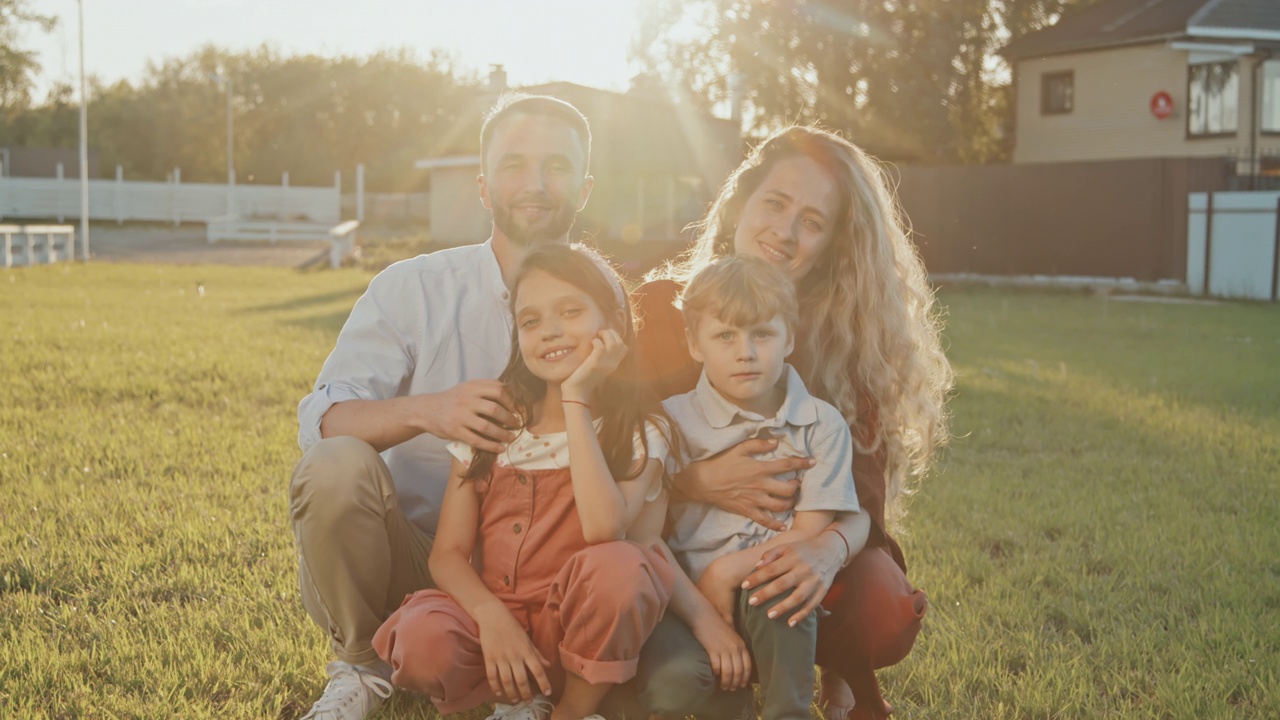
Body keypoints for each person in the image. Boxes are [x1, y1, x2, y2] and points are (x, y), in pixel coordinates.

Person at [289, 93, 595, 720]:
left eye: (557, 167)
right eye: (514, 165)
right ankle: (360, 665)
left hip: (547, 569)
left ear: (585, 189)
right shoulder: (411, 288)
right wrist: (431, 411)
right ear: (483, 188)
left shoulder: (605, 294)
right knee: (335, 466)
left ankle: (557, 674)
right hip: (422, 556)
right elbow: (324, 422)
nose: (535, 185)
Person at [631, 126, 953, 720]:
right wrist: (696, 481)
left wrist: (825, 551)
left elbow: (864, 502)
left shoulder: (845, 341)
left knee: (880, 601)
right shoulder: (662, 307)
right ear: (739, 204)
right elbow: (612, 452)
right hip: (674, 549)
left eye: (812, 221)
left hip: (788, 553)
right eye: (775, 204)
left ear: (833, 243)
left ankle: (828, 667)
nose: (784, 231)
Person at [372, 243, 677, 720]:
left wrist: (576, 398)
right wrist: (491, 618)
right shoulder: (496, 423)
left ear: (615, 322)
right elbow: (447, 553)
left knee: (621, 566)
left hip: (578, 633)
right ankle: (512, 701)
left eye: (571, 311)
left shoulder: (640, 431)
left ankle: (572, 710)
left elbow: (605, 533)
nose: (549, 330)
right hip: (497, 628)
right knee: (421, 635)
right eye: (531, 321)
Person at [644, 256, 868, 720]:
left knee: (780, 594)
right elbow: (641, 522)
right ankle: (730, 701)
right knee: (675, 685)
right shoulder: (669, 420)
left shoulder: (819, 424)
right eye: (725, 336)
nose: (744, 351)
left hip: (767, 582)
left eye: (761, 334)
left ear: (790, 338)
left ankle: (789, 711)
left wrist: (727, 571)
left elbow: (810, 531)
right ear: (694, 343)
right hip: (684, 593)